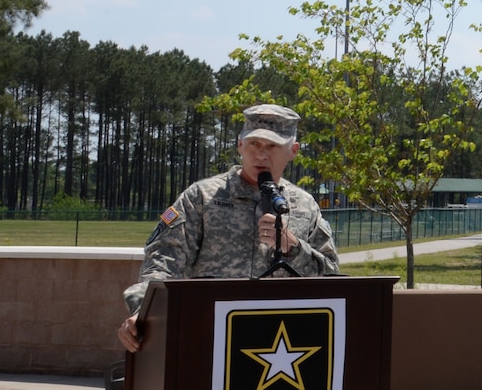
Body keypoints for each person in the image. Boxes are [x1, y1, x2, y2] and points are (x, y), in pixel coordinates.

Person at [116, 104, 340, 353]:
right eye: (254, 144)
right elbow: (163, 260)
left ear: (293, 151)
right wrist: (144, 312)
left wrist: (293, 247)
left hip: (283, 347)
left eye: (273, 146)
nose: (261, 155)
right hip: (208, 339)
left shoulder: (305, 205)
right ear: (240, 145)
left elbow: (331, 276)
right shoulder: (202, 197)